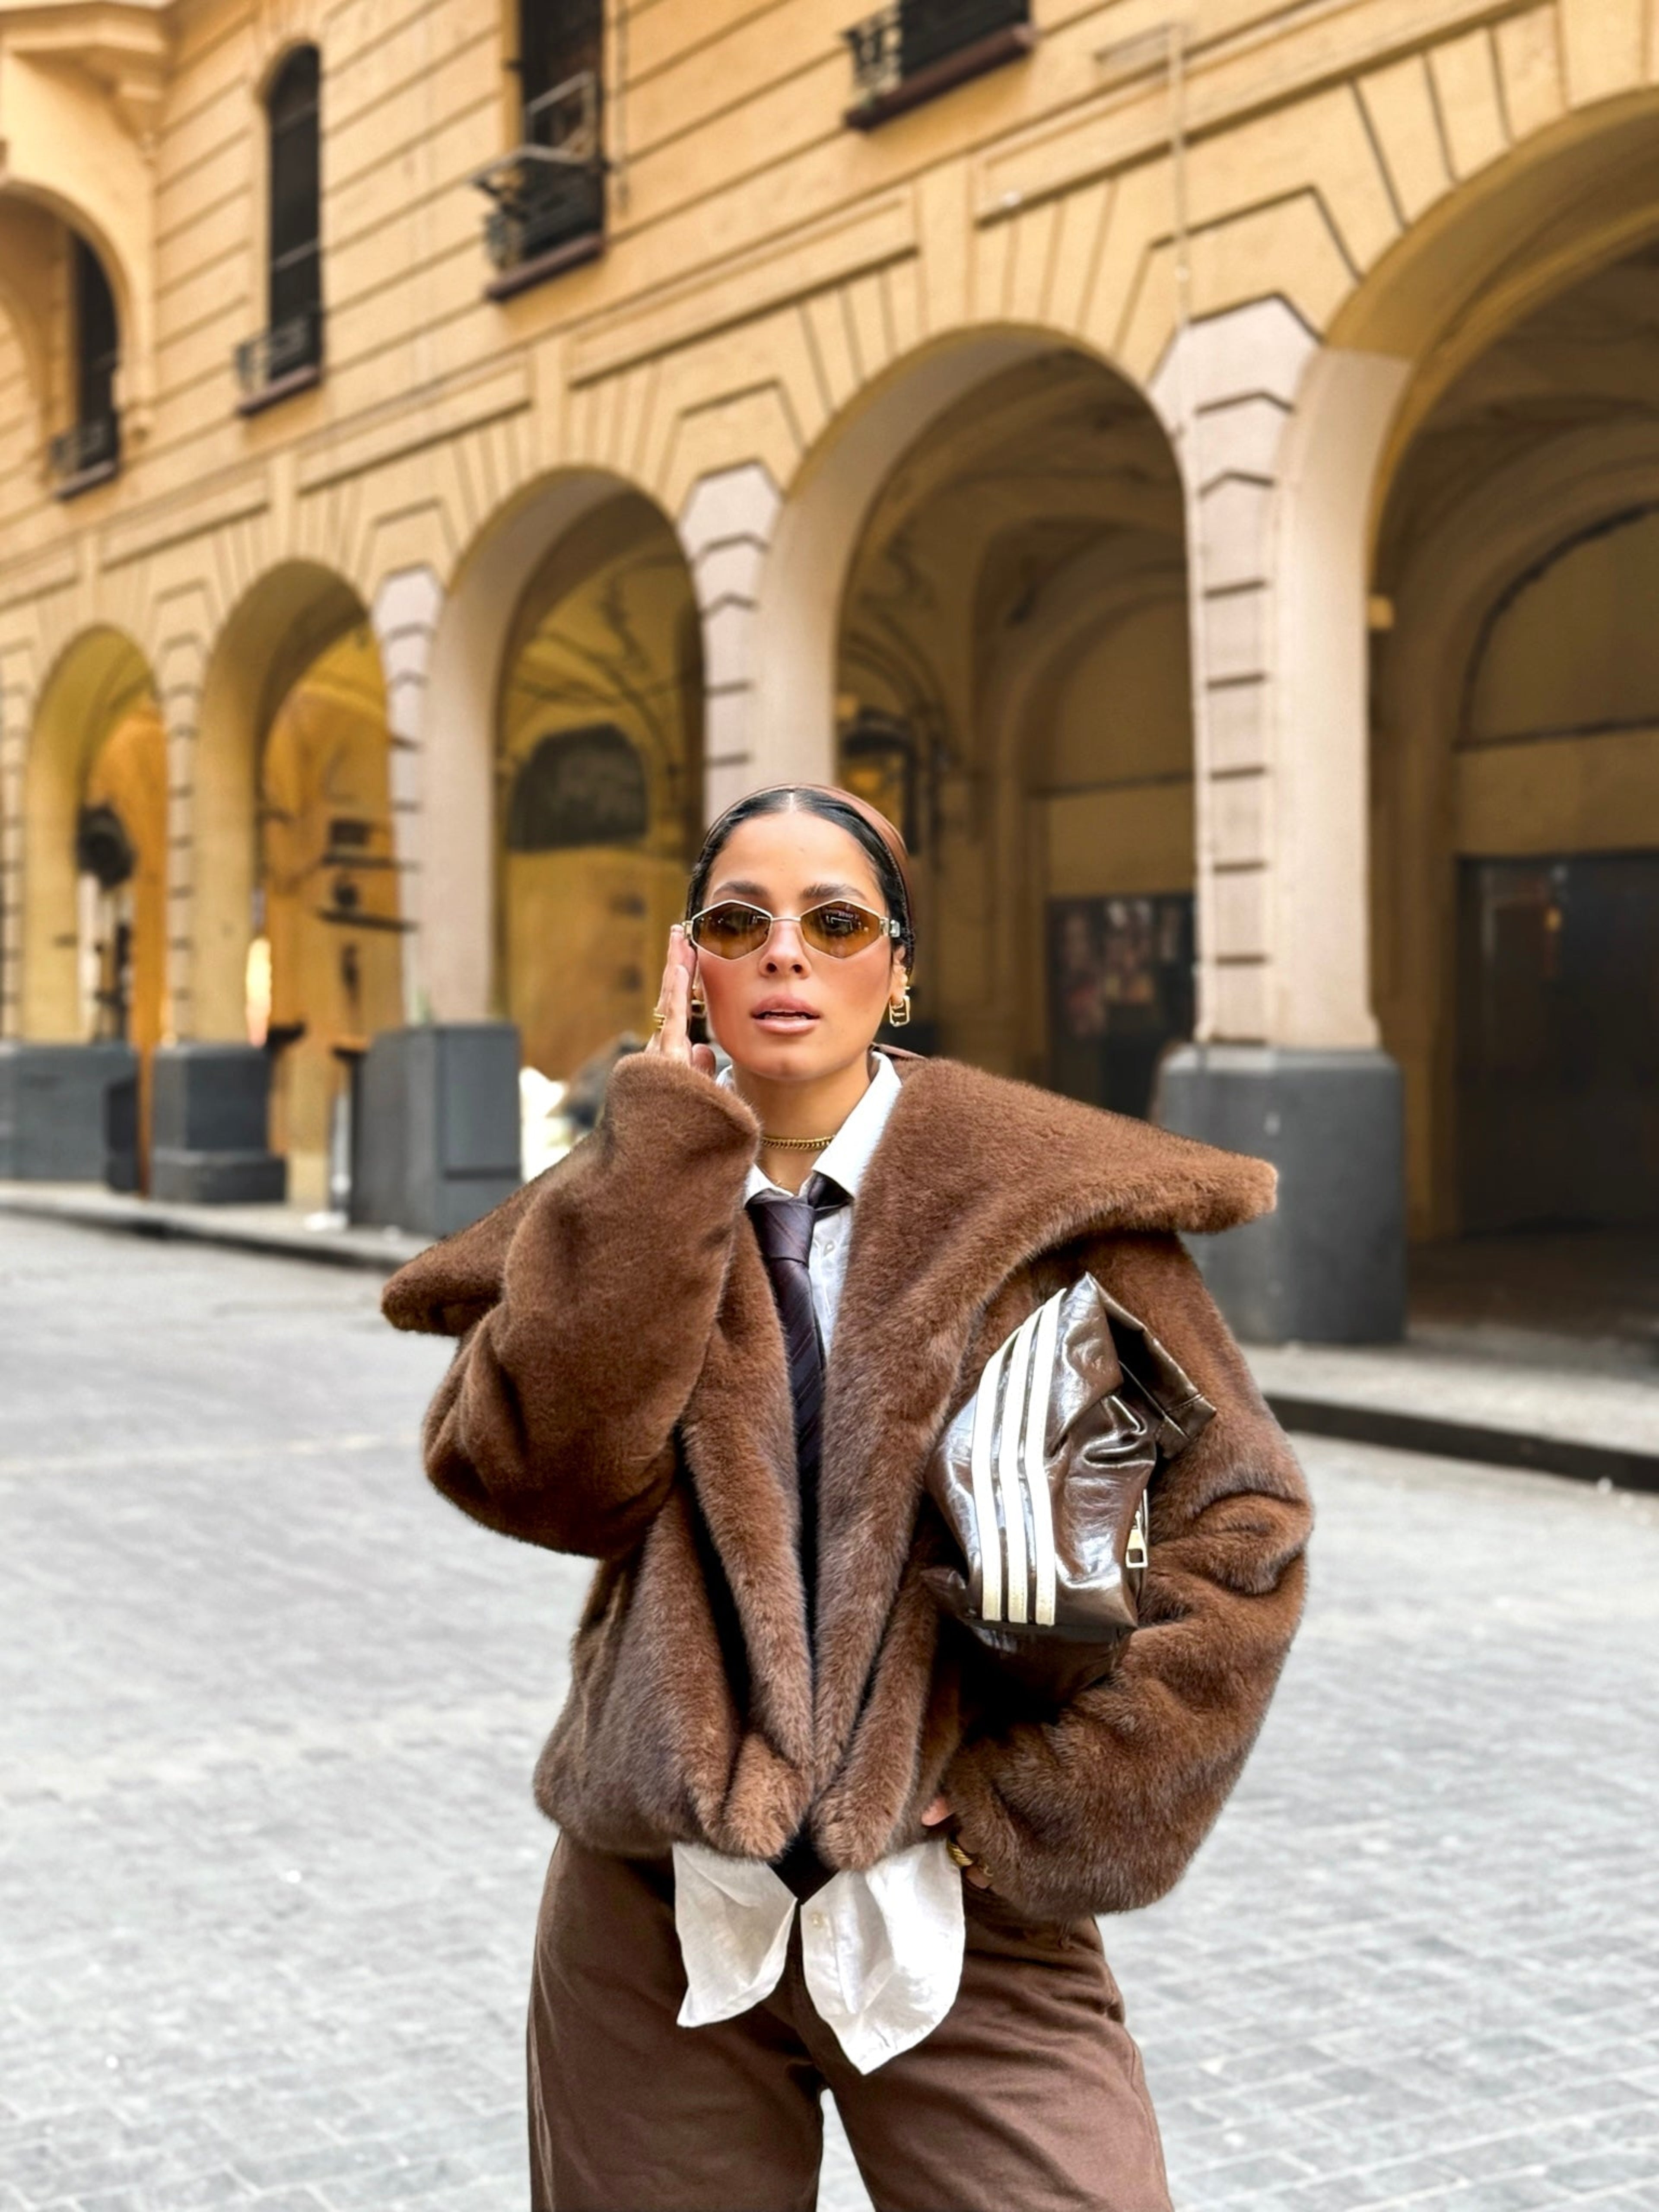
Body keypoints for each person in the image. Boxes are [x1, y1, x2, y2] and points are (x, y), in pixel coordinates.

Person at [381, 784, 1313, 2212]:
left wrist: (1052, 1804)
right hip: (659, 1913)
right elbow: (538, 1475)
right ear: (691, 960)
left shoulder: (1046, 1204)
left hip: (970, 1917)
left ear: (900, 964)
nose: (784, 956)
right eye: (739, 921)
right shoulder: (622, 1194)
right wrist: (659, 1168)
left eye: (835, 920)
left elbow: (1241, 1527)